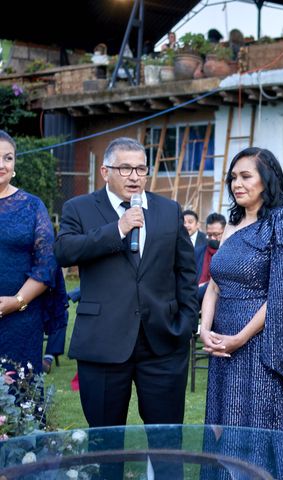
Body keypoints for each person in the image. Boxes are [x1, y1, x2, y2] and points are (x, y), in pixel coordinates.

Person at [54, 138, 198, 475]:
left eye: (141, 169)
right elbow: (64, 252)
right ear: (105, 171)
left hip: (162, 343)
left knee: (166, 442)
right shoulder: (80, 208)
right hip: (103, 345)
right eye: (125, 168)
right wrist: (117, 229)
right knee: (106, 445)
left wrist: (186, 322)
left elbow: (186, 272)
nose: (134, 176)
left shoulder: (169, 210)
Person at [199, 147, 283, 477]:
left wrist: (239, 338)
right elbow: (214, 286)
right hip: (221, 347)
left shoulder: (282, 222)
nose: (237, 184)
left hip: (258, 348)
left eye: (246, 176)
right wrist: (204, 329)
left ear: (266, 180)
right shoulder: (231, 226)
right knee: (220, 427)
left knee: (252, 428)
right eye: (233, 177)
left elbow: (282, 294)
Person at [0, 130, 65, 374]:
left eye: (8, 158)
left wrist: (17, 302)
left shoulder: (32, 206)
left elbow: (47, 264)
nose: (2, 165)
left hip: (21, 320)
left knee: (20, 401)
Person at [195, 212, 226, 304]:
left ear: (225, 231)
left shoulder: (230, 254)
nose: (212, 238)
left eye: (216, 234)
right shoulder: (197, 252)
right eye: (209, 235)